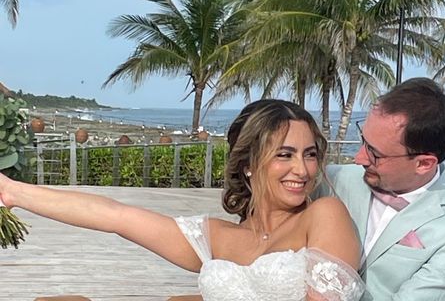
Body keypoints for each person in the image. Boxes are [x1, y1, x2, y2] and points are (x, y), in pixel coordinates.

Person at [0, 102, 365, 301]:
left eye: (310, 154)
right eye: (285, 155)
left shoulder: (324, 214)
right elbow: (114, 215)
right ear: (249, 165)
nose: (302, 169)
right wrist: (12, 192)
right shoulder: (218, 237)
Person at [316, 77, 445, 300]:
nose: (358, 158)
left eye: (375, 154)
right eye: (363, 141)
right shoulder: (333, 180)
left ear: (424, 164)